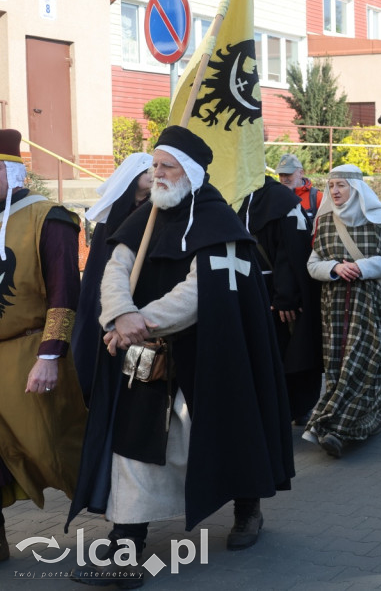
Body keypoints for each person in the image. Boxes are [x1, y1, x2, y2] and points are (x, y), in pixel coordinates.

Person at [68, 127, 294, 585]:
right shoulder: (146, 218)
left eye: (166, 167)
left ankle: (248, 509)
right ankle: (128, 537)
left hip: (209, 355)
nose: (157, 176)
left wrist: (139, 321)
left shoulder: (219, 225)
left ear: (190, 173)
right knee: (134, 446)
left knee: (225, 436)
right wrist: (119, 315)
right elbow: (115, 269)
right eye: (154, 167)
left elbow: (198, 294)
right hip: (146, 358)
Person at [0, 129, 87, 565]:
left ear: (10, 172)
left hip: (30, 356)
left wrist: (50, 355)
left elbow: (64, 291)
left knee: (55, 448)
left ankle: (124, 515)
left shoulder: (48, 218)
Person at [303, 165, 381, 456]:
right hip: (332, 306)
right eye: (331, 185)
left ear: (356, 188)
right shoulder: (322, 221)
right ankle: (376, 416)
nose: (334, 191)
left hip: (369, 302)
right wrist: (333, 267)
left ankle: (337, 429)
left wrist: (363, 267)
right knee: (337, 365)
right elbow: (312, 264)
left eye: (341, 185)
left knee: (363, 363)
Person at [238, 175, 323, 427]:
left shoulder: (279, 199)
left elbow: (291, 252)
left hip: (275, 297)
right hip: (247, 292)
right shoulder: (233, 193)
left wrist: (286, 296)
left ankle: (291, 408)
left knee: (285, 354)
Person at [73, 153, 153, 405]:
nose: (153, 176)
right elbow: (99, 267)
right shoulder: (112, 218)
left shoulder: (156, 213)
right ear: (131, 179)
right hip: (110, 295)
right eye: (146, 172)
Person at [276, 153, 321, 226]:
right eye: (281, 175)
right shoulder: (275, 197)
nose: (284, 179)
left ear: (301, 173)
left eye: (288, 174)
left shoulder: (317, 197)